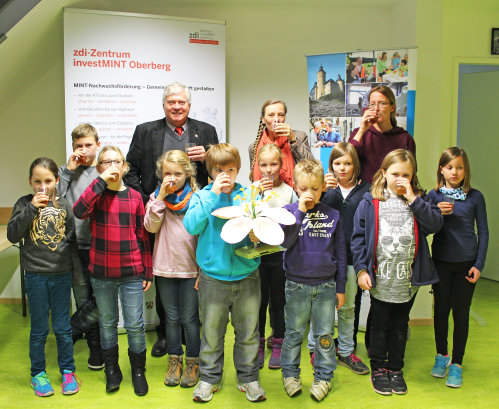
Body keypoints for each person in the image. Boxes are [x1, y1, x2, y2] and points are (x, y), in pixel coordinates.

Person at [125, 82, 219, 357]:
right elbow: (130, 170)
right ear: (164, 105)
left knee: (189, 282)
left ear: (189, 105)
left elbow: (219, 169)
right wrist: (149, 199)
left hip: (194, 214)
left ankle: (191, 346)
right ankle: (166, 336)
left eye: (182, 102)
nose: (177, 107)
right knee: (165, 275)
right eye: (171, 102)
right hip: (161, 214)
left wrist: (209, 155)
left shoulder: (206, 130)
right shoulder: (145, 131)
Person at [352, 149, 443, 396]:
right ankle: (379, 368)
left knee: (400, 326)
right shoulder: (370, 201)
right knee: (379, 326)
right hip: (381, 278)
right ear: (384, 172)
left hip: (407, 280)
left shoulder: (419, 200)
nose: (400, 179)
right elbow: (358, 239)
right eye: (395, 173)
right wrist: (361, 269)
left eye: (406, 174)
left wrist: (413, 197)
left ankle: (395, 368)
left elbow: (435, 224)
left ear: (412, 176)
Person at [184, 143, 266, 403]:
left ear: (238, 169)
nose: (226, 175)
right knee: (211, 332)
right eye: (220, 170)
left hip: (247, 275)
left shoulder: (248, 194)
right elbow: (191, 226)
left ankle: (248, 378)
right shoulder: (201, 196)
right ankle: (209, 378)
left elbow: (265, 231)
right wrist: (212, 195)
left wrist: (258, 235)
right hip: (213, 278)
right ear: (210, 172)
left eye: (231, 169)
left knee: (249, 332)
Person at [74, 146, 152, 396]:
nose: (112, 166)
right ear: (99, 169)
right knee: (107, 324)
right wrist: (98, 183)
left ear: (125, 166)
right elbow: (78, 211)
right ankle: (111, 370)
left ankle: (138, 371)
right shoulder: (96, 195)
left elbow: (142, 237)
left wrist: (147, 272)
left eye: (117, 161)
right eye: (106, 162)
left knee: (135, 325)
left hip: (131, 272)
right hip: (102, 273)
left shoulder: (135, 197)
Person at [7, 157, 80, 397]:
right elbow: (12, 235)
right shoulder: (23, 203)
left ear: (56, 181)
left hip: (61, 274)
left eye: (48, 181)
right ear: (30, 182)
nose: (43, 186)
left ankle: (68, 371)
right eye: (37, 181)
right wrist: (30, 209)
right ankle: (38, 374)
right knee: (39, 329)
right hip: (36, 275)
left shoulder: (64, 205)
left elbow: (69, 237)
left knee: (62, 328)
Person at [280, 159, 347, 402]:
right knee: (294, 332)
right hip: (296, 284)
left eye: (315, 188)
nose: (309, 193)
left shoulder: (334, 214)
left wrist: (341, 287)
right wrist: (300, 212)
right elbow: (284, 242)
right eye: (304, 188)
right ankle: (290, 374)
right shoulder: (289, 213)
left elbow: (340, 252)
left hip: (326, 286)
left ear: (323, 188)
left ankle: (324, 377)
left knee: (324, 335)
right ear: (296, 187)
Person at [307, 143, 370, 375]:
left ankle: (345, 350)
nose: (342, 168)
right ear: (330, 165)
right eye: (337, 163)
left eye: (347, 163)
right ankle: (315, 348)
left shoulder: (366, 190)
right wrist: (322, 191)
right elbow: (310, 215)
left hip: (353, 259)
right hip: (325, 258)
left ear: (355, 165)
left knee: (348, 308)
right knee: (320, 306)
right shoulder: (325, 190)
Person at [428, 147, 488, 388]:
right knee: (441, 311)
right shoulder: (433, 196)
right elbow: (425, 228)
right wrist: (435, 213)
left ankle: (457, 364)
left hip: (466, 264)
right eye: (450, 167)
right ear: (442, 169)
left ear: (466, 170)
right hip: (441, 262)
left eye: (460, 167)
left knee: (461, 314)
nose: (455, 172)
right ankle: (442, 356)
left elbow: (483, 232)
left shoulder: (476, 197)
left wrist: (479, 264)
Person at [144, 150, 200, 388]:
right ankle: (174, 360)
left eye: (177, 173)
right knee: (171, 319)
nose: (172, 178)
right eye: (167, 173)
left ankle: (193, 362)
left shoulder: (197, 197)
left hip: (190, 269)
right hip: (165, 268)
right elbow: (150, 227)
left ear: (187, 174)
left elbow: (202, 234)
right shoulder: (156, 198)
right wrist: (159, 198)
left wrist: (202, 270)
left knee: (190, 319)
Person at [57, 123, 103, 371]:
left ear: (98, 145)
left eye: (88, 145)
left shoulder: (103, 171)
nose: (83, 150)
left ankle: (73, 329)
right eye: (78, 146)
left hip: (99, 245)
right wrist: (66, 172)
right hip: (75, 246)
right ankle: (95, 349)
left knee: (99, 300)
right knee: (83, 296)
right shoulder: (68, 173)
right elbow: (55, 201)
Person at [255, 144, 297, 370]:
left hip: (280, 255)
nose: (269, 169)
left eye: (273, 164)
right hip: (258, 255)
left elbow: (294, 223)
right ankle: (259, 343)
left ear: (281, 166)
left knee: (279, 301)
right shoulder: (253, 189)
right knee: (259, 301)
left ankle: (278, 342)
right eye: (264, 165)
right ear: (258, 166)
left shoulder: (289, 191)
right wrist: (257, 194)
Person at [349, 85, 416, 182]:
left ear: (392, 107)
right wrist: (361, 130)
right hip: (364, 194)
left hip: (393, 194)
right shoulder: (359, 133)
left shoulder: (405, 138)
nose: (376, 109)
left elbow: (411, 173)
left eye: (382, 103)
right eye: (372, 104)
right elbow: (346, 160)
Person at [249, 99, 313, 185]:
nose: (276, 119)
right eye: (271, 115)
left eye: (281, 115)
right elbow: (254, 179)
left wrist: (293, 139)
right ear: (263, 119)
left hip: (294, 194)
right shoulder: (254, 147)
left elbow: (311, 166)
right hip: (266, 195)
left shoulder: (300, 136)